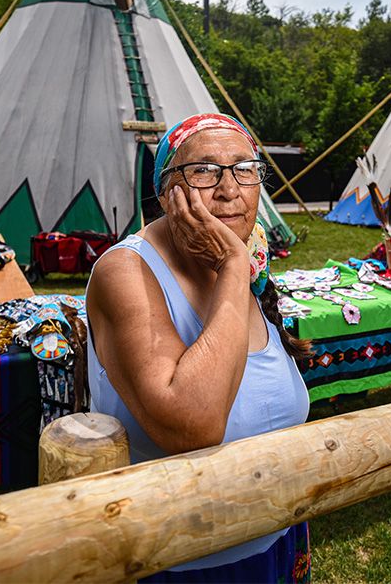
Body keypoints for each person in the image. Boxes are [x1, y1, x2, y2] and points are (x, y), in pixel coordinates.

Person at [86, 113, 312, 583]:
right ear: (167, 191)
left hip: (277, 541)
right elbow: (194, 425)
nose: (229, 189)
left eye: (244, 168)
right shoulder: (126, 271)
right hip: (177, 561)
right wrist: (233, 264)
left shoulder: (247, 263)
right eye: (204, 170)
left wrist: (234, 264)